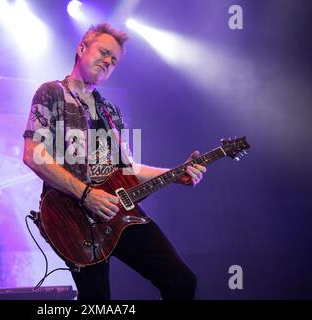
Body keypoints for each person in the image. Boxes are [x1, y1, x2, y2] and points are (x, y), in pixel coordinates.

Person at [22, 23, 207, 300]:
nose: (108, 61)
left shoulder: (110, 111)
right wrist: (85, 194)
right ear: (82, 48)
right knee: (97, 302)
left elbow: (126, 169)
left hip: (117, 212)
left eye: (114, 60)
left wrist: (175, 173)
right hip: (72, 218)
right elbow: (32, 155)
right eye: (104, 52)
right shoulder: (52, 93)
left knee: (181, 281)